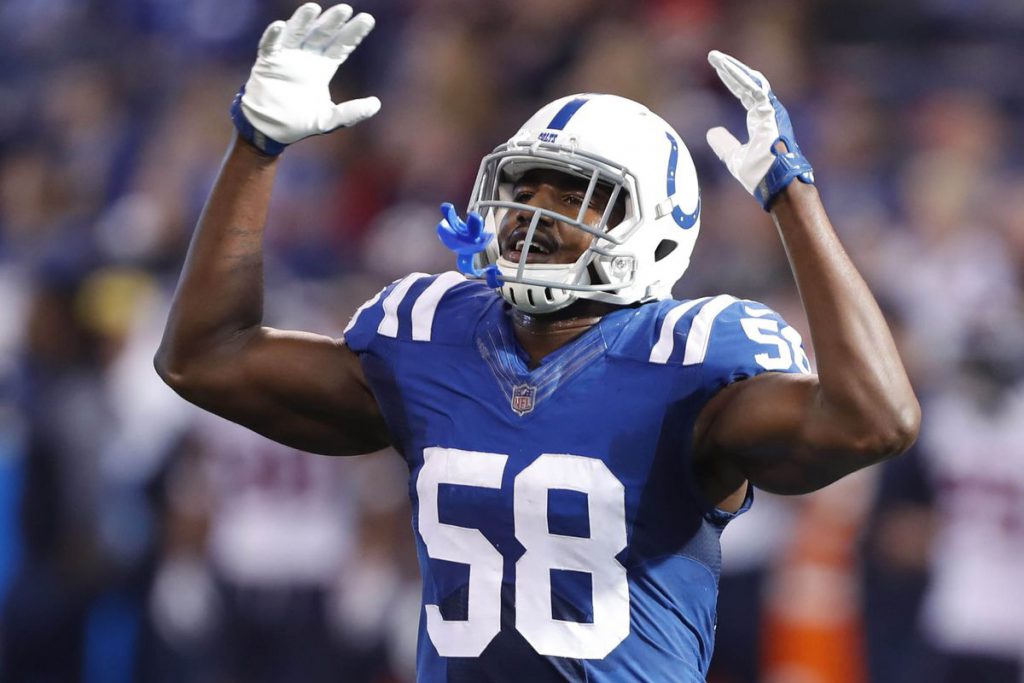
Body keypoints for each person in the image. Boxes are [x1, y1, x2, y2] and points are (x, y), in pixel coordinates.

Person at [155, 3, 920, 681]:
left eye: (577, 194)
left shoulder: (688, 360)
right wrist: (254, 147)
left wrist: (792, 198)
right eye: (524, 187)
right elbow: (203, 358)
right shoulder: (434, 338)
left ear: (657, 229)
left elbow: (874, 419)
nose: (534, 212)